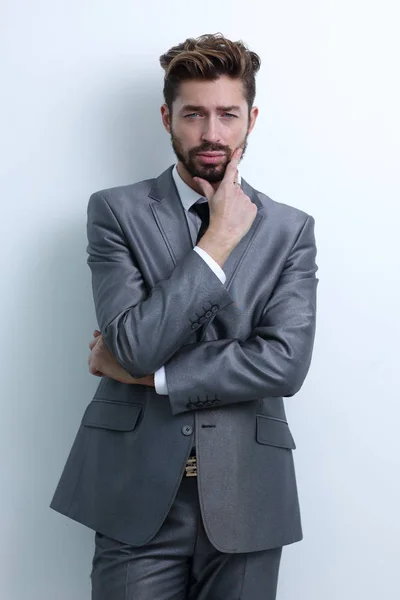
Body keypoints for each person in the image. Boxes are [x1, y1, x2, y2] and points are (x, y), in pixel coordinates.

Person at [50, 32, 319, 599]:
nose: (212, 133)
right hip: (134, 495)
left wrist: (155, 377)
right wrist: (217, 240)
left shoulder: (291, 230)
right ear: (167, 117)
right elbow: (132, 345)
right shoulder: (116, 211)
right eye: (195, 114)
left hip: (248, 493)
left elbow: (285, 366)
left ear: (252, 118)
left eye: (228, 114)